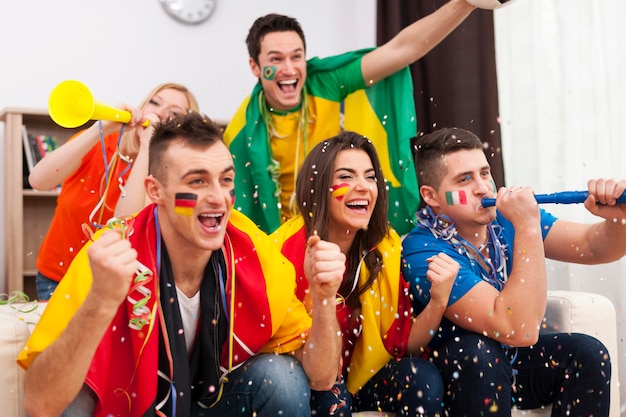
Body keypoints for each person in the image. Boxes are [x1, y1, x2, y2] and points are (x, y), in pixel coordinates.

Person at [18, 111, 344, 417]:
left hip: (211, 401)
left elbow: (321, 379)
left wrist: (324, 298)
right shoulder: (112, 252)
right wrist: (99, 303)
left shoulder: (253, 250)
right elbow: (39, 403)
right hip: (131, 404)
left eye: (226, 180)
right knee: (78, 395)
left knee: (281, 377)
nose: (218, 198)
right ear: (155, 190)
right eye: (197, 182)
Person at [402, 127, 625, 416]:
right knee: (479, 353)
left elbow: (594, 247)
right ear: (431, 196)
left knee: (587, 354)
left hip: (511, 361)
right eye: (464, 179)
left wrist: (619, 221)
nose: (483, 187)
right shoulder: (421, 249)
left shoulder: (507, 220)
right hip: (455, 373)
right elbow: (517, 329)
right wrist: (528, 226)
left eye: (485, 173)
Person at [224, 0, 487, 235]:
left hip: (339, 225)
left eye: (297, 57)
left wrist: (466, 3)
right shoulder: (241, 130)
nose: (289, 69)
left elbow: (402, 50)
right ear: (255, 67)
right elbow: (239, 210)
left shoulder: (325, 84)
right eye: (276, 59)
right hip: (281, 237)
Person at [272, 131, 459, 416]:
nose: (363, 187)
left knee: (421, 377)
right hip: (306, 381)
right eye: (346, 177)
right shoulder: (283, 251)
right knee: (332, 397)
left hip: (362, 380)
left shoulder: (385, 247)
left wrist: (438, 300)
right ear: (319, 187)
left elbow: (405, 343)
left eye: (370, 177)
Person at [29, 83, 199, 301]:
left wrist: (148, 147)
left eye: (174, 113)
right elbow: (38, 180)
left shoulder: (168, 173)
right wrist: (102, 127)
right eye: (155, 103)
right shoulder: (101, 141)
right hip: (57, 276)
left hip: (116, 284)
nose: (159, 113)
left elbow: (125, 224)